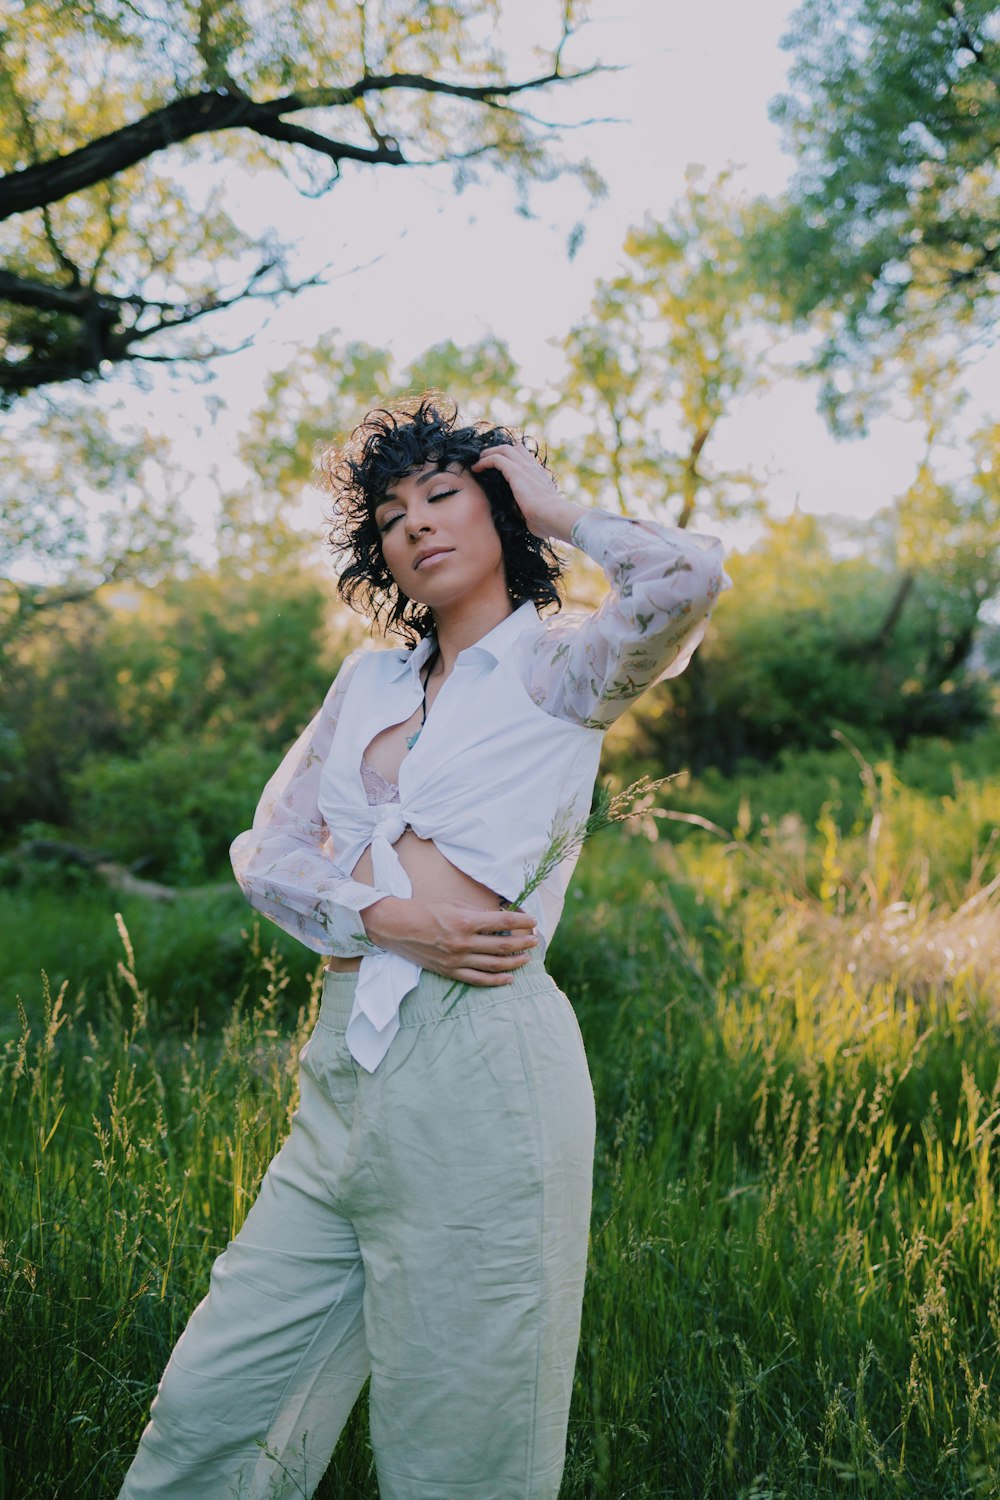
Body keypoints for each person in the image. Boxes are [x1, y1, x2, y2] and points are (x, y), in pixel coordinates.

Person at [117, 395, 731, 1500]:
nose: (416, 524)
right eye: (392, 512)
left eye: (445, 495)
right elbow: (268, 852)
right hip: (343, 1066)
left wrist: (557, 508)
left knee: (465, 1437)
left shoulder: (563, 671)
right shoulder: (369, 684)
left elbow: (685, 580)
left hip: (485, 1067)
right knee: (215, 1406)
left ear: (501, 514)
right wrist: (382, 918)